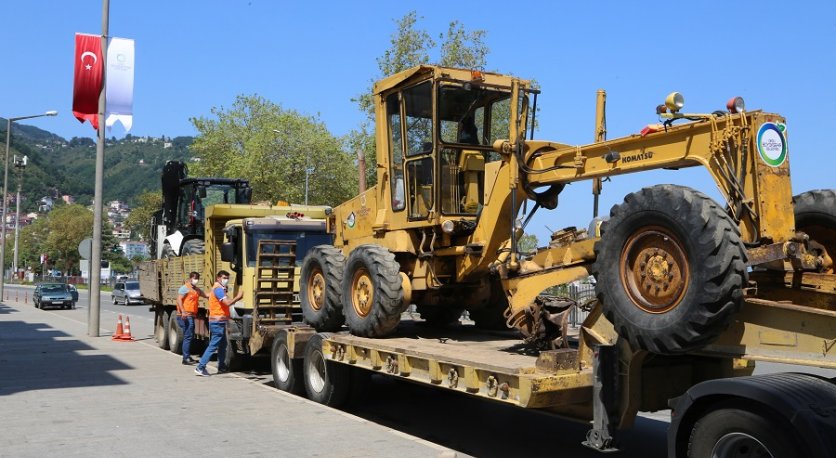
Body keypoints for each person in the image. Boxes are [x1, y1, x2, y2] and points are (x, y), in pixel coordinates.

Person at [195, 270, 243, 376]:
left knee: (223, 345)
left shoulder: (219, 289)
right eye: (224, 278)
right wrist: (238, 297)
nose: (226, 280)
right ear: (218, 278)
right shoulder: (218, 290)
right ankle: (200, 367)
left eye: (227, 278)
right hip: (217, 322)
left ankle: (221, 367)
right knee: (213, 346)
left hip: (220, 321)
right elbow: (227, 303)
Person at [176, 271, 208, 365]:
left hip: (191, 315)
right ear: (190, 278)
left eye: (197, 278)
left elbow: (206, 295)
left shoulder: (196, 290)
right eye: (194, 278)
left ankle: (187, 356)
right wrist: (183, 311)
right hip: (185, 315)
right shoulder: (185, 288)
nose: (196, 280)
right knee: (188, 336)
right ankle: (185, 358)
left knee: (189, 336)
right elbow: (179, 299)